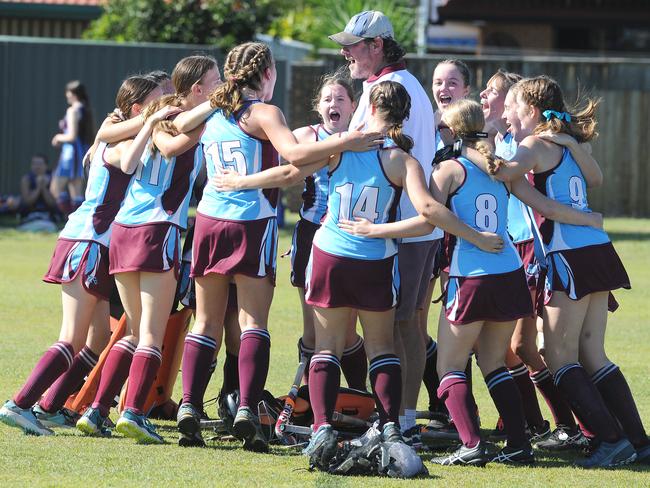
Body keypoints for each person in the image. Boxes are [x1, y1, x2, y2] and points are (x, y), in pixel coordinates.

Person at [341, 98, 605, 467]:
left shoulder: (449, 169)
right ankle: (518, 444)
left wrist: (375, 230)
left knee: (449, 365)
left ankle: (471, 444)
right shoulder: (501, 169)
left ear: (450, 132)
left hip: (472, 277)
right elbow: (540, 202)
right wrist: (587, 216)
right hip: (509, 274)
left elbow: (427, 219)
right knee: (494, 363)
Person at [169, 41, 383, 452]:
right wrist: (345, 142)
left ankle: (191, 407)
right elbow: (294, 154)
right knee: (253, 323)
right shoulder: (264, 112)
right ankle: (247, 407)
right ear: (266, 73)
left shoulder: (212, 112)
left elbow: (178, 130)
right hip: (251, 223)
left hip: (209, 220)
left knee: (206, 323)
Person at [301, 82, 508, 467]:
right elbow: (427, 215)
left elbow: (294, 162)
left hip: (330, 253)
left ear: (370, 105)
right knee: (382, 347)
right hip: (375, 259)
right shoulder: (403, 160)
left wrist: (343, 140)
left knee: (327, 346)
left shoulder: (339, 146)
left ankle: (321, 427)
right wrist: (382, 230)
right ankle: (390, 425)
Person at [487, 75, 647, 467]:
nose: (506, 113)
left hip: (569, 254)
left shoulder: (532, 145)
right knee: (593, 354)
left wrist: (473, 148)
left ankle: (610, 439)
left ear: (531, 110)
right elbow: (595, 179)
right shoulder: (564, 143)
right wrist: (574, 146)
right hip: (596, 252)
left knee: (557, 355)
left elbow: (505, 173)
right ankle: (639, 442)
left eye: (511, 106)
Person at [0, 76, 164, 436]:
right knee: (71, 336)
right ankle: (19, 403)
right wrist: (152, 123)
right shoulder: (119, 140)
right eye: (159, 97)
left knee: (96, 340)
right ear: (138, 109)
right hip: (89, 241)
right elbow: (128, 159)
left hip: (99, 245)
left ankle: (50, 405)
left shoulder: (113, 131)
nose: (166, 101)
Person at [79, 56, 220, 445]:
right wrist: (215, 109)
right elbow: (174, 146)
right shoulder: (181, 119)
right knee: (150, 335)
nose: (221, 86)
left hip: (123, 230)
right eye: (215, 82)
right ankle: (134, 412)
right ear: (197, 89)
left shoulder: (159, 114)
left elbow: (117, 138)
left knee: (134, 330)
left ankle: (96, 410)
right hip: (157, 230)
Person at [329, 10, 439, 442]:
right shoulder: (393, 85)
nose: (345, 54)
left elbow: (381, 155)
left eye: (353, 46)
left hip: (400, 227)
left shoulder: (391, 89)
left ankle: (399, 421)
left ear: (377, 46)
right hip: (403, 225)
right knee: (402, 321)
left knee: (399, 323)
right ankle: (400, 417)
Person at [50, 80, 94, 216]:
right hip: (80, 152)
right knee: (76, 191)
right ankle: (77, 223)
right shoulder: (85, 109)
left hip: (71, 153)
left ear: (73, 94)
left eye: (68, 92)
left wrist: (58, 137)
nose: (66, 95)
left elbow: (72, 136)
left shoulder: (73, 110)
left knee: (55, 188)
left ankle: (71, 220)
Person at [17, 154, 59, 231]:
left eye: (40, 164)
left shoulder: (53, 178)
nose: (37, 167)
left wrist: (44, 188)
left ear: (46, 166)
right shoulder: (26, 179)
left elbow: (53, 203)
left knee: (50, 227)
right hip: (29, 216)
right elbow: (27, 202)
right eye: (34, 164)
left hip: (48, 217)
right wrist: (38, 187)